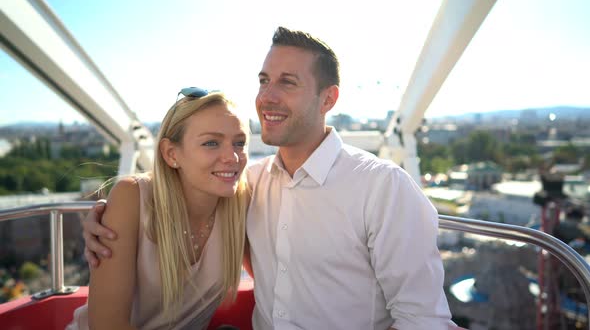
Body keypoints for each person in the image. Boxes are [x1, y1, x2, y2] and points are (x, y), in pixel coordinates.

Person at [83, 27, 456, 329]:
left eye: (287, 83)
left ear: (328, 99)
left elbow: (423, 319)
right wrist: (107, 216)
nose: (267, 96)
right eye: (264, 80)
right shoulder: (249, 186)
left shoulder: (383, 187)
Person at [68, 89, 250, 329]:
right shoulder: (132, 197)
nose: (233, 157)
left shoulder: (243, 201)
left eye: (239, 142)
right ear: (171, 154)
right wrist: (113, 214)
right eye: (211, 143)